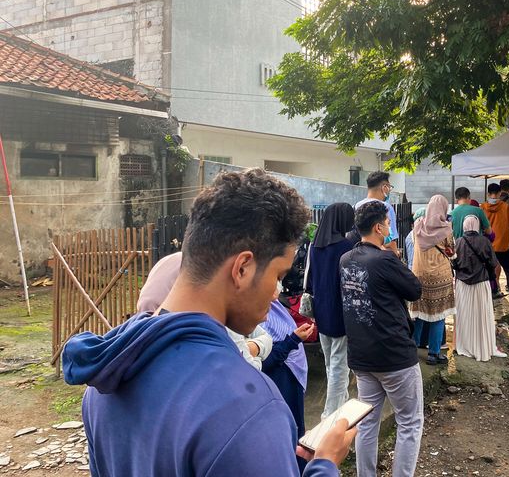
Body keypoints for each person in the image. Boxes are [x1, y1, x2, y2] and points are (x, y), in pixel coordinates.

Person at [62, 169, 354, 477]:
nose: (276, 294)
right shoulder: (248, 407)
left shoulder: (107, 371)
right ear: (242, 268)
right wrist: (325, 465)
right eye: (278, 276)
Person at [340, 201, 424, 477]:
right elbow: (414, 289)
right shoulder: (385, 259)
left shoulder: (346, 259)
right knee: (410, 422)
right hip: (394, 355)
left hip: (362, 356)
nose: (390, 227)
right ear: (378, 227)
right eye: (388, 223)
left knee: (367, 422)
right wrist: (395, 257)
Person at [136, 251, 271, 370]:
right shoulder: (210, 325)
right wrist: (256, 353)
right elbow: (249, 370)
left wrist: (255, 347)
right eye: (277, 277)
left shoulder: (169, 261)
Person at [307, 203, 357, 419]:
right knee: (339, 366)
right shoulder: (346, 246)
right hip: (340, 312)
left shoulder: (314, 246)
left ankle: (339, 405)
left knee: (331, 363)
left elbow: (309, 280)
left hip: (321, 309)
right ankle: (331, 414)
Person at [262, 299, 315, 456]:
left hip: (292, 376)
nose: (277, 286)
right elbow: (265, 361)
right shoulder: (255, 318)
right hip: (281, 381)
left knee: (297, 429)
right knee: (289, 438)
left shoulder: (274, 306)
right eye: (276, 278)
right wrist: (293, 340)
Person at [409, 195, 456, 365]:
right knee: (438, 315)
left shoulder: (418, 226)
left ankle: (412, 349)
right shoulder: (447, 230)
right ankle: (433, 354)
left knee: (419, 314)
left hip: (419, 276)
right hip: (440, 278)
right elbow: (451, 250)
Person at [454, 215, 506, 361]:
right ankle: (483, 346)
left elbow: (453, 263)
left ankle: (464, 345)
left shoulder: (458, 242)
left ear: (464, 226)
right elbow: (493, 263)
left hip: (462, 285)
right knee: (481, 315)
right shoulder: (484, 241)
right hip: (481, 283)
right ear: (477, 226)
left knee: (464, 316)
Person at [354, 171, 400, 256]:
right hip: (382, 254)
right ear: (384, 188)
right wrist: (396, 257)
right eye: (390, 187)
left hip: (361, 252)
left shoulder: (357, 206)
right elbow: (391, 241)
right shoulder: (386, 207)